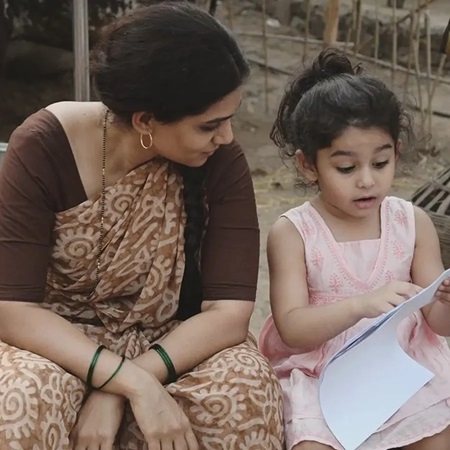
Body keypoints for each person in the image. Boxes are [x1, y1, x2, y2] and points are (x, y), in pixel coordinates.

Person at [0, 3, 284, 449]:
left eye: (229, 119)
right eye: (210, 125)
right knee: (21, 395)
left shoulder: (219, 160)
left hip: (169, 344)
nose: (227, 137)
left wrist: (130, 384)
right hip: (54, 344)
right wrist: (122, 379)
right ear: (146, 121)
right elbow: (14, 309)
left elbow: (228, 314)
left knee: (244, 386)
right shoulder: (43, 146)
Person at [259, 48, 450, 450]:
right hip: (322, 373)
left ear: (396, 153)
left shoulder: (411, 222)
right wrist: (361, 305)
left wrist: (446, 302)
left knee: (434, 437)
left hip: (402, 365)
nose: (366, 181)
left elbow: (438, 323)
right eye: (346, 168)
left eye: (380, 164)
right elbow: (292, 329)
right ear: (308, 165)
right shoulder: (294, 232)